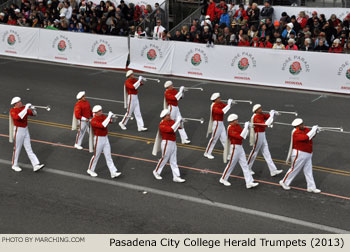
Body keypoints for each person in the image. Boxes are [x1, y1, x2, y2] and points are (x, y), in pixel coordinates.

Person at [279, 118, 321, 193]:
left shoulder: (305, 129)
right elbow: (305, 138)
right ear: (297, 126)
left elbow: (311, 136)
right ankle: (284, 182)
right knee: (294, 169)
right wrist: (313, 130)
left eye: (302, 123)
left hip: (308, 153)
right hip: (299, 154)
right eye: (301, 124)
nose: (303, 125)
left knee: (308, 171)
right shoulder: (295, 132)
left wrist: (316, 131)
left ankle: (311, 187)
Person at [220, 114, 259, 189]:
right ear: (232, 121)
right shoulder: (230, 128)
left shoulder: (237, 126)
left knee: (245, 165)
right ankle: (223, 179)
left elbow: (245, 135)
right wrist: (245, 127)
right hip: (234, 148)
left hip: (240, 147)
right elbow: (240, 136)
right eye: (236, 120)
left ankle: (249, 182)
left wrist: (248, 128)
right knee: (231, 164)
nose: (237, 121)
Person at [9, 97, 45, 172]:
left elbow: (34, 114)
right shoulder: (13, 110)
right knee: (17, 149)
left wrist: (33, 109)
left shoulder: (23, 108)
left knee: (29, 148)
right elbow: (18, 117)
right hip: (18, 130)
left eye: (20, 101)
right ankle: (14, 165)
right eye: (19, 102)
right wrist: (26, 108)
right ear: (15, 104)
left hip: (25, 130)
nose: (20, 103)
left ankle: (35, 165)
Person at [247, 104, 282, 176]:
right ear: (256, 110)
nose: (261, 109)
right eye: (259, 108)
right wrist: (272, 115)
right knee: (254, 152)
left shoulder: (261, 114)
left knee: (266, 152)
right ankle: (247, 168)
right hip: (257, 135)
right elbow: (265, 124)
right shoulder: (256, 117)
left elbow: (269, 118)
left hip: (262, 134)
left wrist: (274, 114)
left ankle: (273, 170)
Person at [87, 105, 122, 178]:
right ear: (95, 113)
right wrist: (109, 116)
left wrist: (113, 118)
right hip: (98, 139)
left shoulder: (102, 116)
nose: (101, 111)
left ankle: (113, 172)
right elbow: (103, 125)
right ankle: (90, 169)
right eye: (99, 111)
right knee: (96, 155)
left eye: (101, 110)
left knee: (108, 155)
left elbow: (109, 121)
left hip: (105, 138)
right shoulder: (93, 120)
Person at [152, 109, 185, 183]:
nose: (170, 116)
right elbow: (171, 130)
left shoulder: (171, 121)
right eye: (168, 115)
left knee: (174, 160)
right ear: (164, 117)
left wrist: (181, 122)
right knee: (164, 158)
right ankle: (156, 171)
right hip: (166, 143)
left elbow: (180, 127)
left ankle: (176, 176)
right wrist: (177, 122)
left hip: (173, 142)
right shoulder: (162, 124)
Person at [204, 93, 233, 159]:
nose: (220, 99)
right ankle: (207, 153)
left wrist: (230, 103)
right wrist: (229, 104)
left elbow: (226, 107)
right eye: (218, 98)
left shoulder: (220, 103)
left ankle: (228, 154)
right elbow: (222, 112)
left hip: (221, 124)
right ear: (215, 99)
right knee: (214, 139)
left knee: (225, 139)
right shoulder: (214, 106)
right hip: (216, 124)